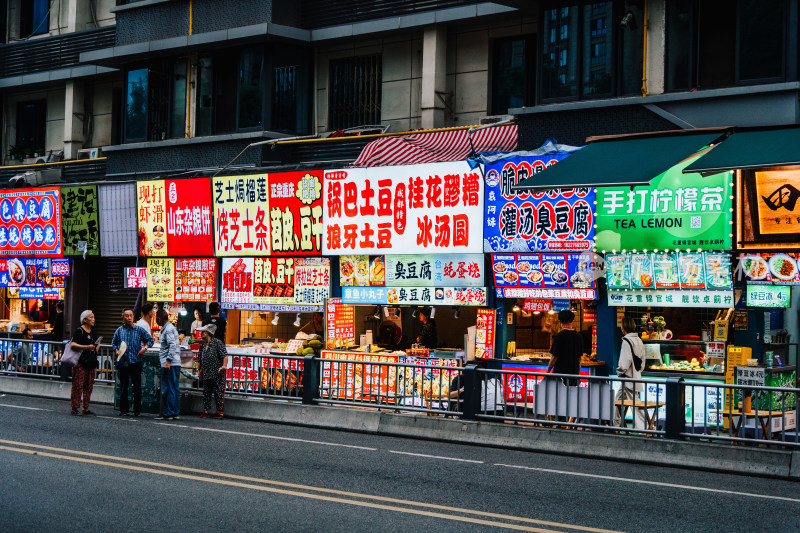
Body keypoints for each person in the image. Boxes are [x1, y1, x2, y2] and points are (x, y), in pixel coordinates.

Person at [112, 308, 154, 416]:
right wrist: (116, 350)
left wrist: (144, 348)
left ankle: (137, 410)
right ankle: (123, 410)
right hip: (124, 362)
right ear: (123, 317)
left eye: (131, 315)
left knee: (137, 387)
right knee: (124, 387)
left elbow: (150, 340)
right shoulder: (119, 330)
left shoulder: (139, 329)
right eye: (127, 316)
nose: (129, 318)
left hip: (136, 361)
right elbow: (114, 342)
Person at [615, 317, 646, 429]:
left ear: (624, 328)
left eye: (621, 326)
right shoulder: (639, 340)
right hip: (635, 376)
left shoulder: (626, 341)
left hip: (627, 377)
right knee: (618, 399)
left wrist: (619, 371)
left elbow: (625, 361)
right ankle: (616, 424)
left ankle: (644, 428)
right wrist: (638, 371)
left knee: (635, 404)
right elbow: (642, 361)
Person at [70, 310, 99, 416]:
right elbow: (73, 345)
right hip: (80, 363)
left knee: (89, 386)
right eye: (91, 317)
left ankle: (85, 408)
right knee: (78, 385)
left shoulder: (93, 332)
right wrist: (87, 347)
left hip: (90, 363)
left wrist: (95, 349)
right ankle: (74, 408)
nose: (93, 319)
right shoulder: (79, 331)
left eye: (94, 317)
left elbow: (97, 343)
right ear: (85, 319)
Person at [197, 324, 227, 419]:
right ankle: (206, 411)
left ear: (209, 333)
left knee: (218, 392)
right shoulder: (202, 346)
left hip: (217, 372)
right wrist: (198, 370)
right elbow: (199, 359)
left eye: (203, 332)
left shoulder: (217, 342)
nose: (201, 334)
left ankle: (219, 412)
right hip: (206, 372)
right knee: (206, 392)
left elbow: (224, 355)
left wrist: (224, 366)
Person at [155, 309, 181, 421]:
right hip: (174, 363)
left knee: (168, 388)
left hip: (170, 363)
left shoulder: (168, 329)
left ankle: (168, 412)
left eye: (156, 318)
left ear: (159, 319)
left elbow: (172, 345)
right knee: (174, 388)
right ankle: (174, 412)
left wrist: (168, 361)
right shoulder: (170, 328)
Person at [546, 310, 583, 386]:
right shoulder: (578, 336)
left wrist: (548, 371)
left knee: (559, 396)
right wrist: (577, 374)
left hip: (560, 376)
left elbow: (554, 357)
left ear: (561, 323)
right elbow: (579, 359)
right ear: (572, 321)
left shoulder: (560, 336)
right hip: (573, 376)